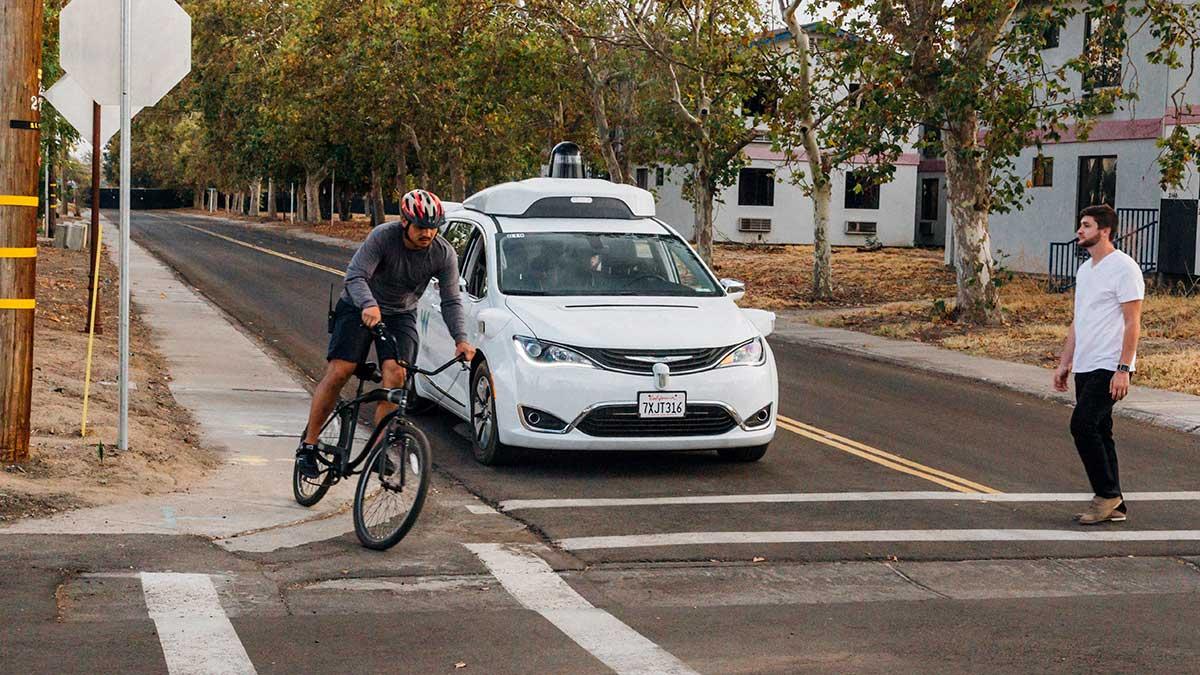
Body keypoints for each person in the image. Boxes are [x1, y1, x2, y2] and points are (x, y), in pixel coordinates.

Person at [297, 189, 476, 476]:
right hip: (358, 306)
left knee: (397, 376)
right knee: (341, 371)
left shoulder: (443, 253)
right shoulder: (383, 237)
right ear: (405, 222)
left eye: (433, 227)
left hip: (400, 314)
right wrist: (368, 304)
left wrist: (461, 339)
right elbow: (355, 276)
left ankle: (379, 449)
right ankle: (309, 445)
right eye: (421, 227)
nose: (427, 234)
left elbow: (451, 299)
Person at [1053, 204, 1144, 525]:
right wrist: (1065, 362)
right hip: (1087, 364)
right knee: (1101, 430)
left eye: (1086, 225)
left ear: (1104, 231)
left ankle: (1105, 495)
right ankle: (1116, 503)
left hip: (1110, 364)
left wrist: (1124, 368)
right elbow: (1079, 321)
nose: (1079, 230)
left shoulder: (1125, 268)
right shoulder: (1086, 270)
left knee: (1083, 425)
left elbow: (1133, 323)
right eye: (1080, 224)